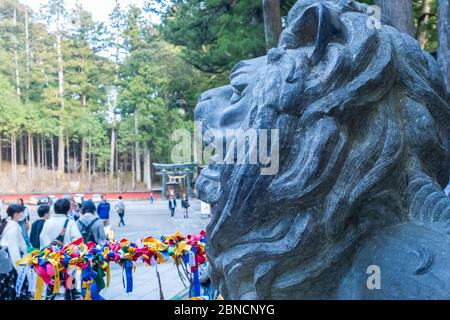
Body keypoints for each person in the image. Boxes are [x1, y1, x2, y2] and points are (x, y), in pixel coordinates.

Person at [40, 198, 82, 300]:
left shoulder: (47, 222)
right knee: (70, 289)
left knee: (51, 287)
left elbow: (42, 239)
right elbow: (78, 240)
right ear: (67, 208)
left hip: (51, 261)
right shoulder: (70, 222)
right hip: (67, 262)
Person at [0, 204, 31, 300]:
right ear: (16, 214)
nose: (23, 214)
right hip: (11, 262)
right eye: (22, 212)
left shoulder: (9, 224)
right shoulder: (13, 228)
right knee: (14, 288)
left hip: (6, 260)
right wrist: (19, 268)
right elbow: (14, 250)